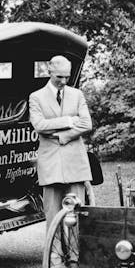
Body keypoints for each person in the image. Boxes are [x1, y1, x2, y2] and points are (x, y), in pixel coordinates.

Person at [29, 55, 93, 229]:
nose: (64, 81)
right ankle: (54, 256)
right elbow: (39, 125)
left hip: (75, 163)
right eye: (59, 77)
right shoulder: (36, 97)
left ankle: (74, 255)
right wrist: (69, 121)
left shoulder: (77, 95)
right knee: (52, 215)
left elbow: (87, 124)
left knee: (76, 213)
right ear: (49, 71)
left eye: (67, 76)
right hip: (50, 163)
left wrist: (60, 136)